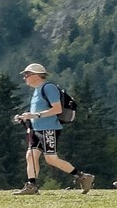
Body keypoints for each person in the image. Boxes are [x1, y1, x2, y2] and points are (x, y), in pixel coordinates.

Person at [13, 63, 94, 193]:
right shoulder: (37, 91)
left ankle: (82, 176)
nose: (24, 78)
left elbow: (57, 109)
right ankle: (31, 185)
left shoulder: (48, 88)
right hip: (38, 129)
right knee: (31, 155)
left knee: (51, 159)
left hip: (49, 129)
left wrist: (35, 115)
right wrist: (27, 117)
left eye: (26, 74)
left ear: (36, 76)